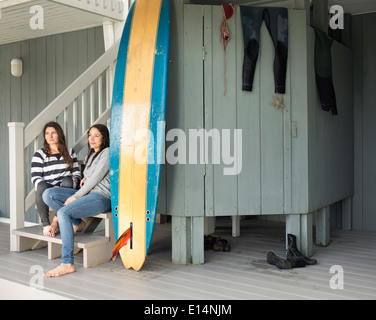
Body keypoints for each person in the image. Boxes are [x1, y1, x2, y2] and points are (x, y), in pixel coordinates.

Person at [42, 124, 111, 278]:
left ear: (104, 138)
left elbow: (96, 179)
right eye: (90, 135)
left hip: (101, 197)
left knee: (63, 212)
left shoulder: (107, 152)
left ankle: (67, 263)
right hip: (87, 193)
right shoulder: (90, 155)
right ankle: (77, 223)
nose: (91, 139)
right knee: (48, 194)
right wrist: (85, 179)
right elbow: (91, 177)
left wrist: (76, 196)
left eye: (96, 136)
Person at [31, 121, 81, 237]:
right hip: (48, 186)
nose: (50, 136)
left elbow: (76, 173)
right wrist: (53, 188)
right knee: (41, 186)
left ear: (59, 134)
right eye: (47, 133)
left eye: (53, 133)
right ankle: (46, 225)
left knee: (68, 181)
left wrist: (74, 181)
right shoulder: (40, 154)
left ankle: (55, 221)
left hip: (65, 186)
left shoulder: (70, 152)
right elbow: (35, 177)